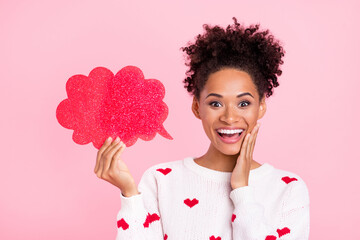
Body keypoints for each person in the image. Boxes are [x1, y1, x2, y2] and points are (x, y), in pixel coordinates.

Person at [94, 17, 310, 240]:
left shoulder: (288, 189)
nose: (229, 117)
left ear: (261, 106)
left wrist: (242, 190)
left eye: (243, 103)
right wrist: (130, 195)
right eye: (215, 103)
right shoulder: (161, 180)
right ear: (197, 108)